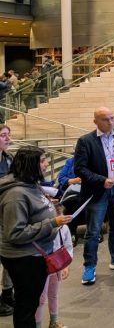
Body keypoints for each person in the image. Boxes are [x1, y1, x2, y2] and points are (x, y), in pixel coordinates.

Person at [0, 146, 72, 328]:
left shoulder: (30, 185)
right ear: (30, 165)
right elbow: (15, 233)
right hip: (24, 258)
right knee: (26, 305)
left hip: (36, 255)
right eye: (42, 161)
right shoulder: (15, 195)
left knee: (30, 304)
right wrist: (52, 223)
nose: (47, 164)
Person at [74, 107, 114, 285]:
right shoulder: (85, 141)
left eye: (112, 118)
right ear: (96, 121)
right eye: (105, 119)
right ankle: (89, 266)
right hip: (98, 192)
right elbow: (80, 169)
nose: (110, 122)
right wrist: (101, 180)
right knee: (93, 232)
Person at [35, 204, 73, 328]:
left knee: (54, 294)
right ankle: (37, 325)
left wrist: (66, 266)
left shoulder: (65, 228)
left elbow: (68, 246)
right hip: (43, 266)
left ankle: (54, 321)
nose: (62, 222)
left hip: (57, 265)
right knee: (40, 299)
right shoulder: (46, 228)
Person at [0, 126, 14, 317]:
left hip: (7, 212)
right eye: (3, 135)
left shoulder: (9, 159)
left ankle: (7, 294)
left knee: (10, 255)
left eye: (8, 135)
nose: (8, 138)